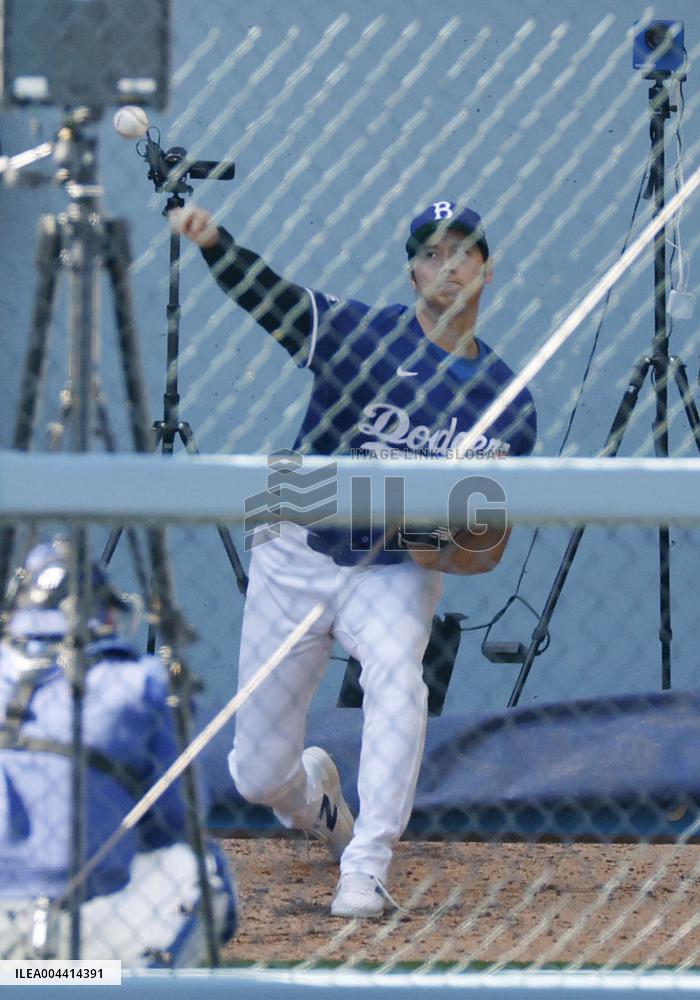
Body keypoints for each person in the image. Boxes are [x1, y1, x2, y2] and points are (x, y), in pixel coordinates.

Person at [171, 199, 537, 917]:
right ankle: (320, 807)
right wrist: (216, 241)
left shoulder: (507, 402)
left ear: (488, 270)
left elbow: (485, 551)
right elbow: (270, 299)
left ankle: (367, 864)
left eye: (462, 251)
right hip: (297, 547)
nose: (447, 264)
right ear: (410, 271)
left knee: (400, 681)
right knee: (255, 777)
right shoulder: (360, 334)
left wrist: (433, 541)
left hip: (394, 568)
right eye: (430, 252)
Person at [0, 539, 233, 961]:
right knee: (201, 867)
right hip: (91, 924)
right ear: (102, 612)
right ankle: (126, 985)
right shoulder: (137, 680)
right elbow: (178, 819)